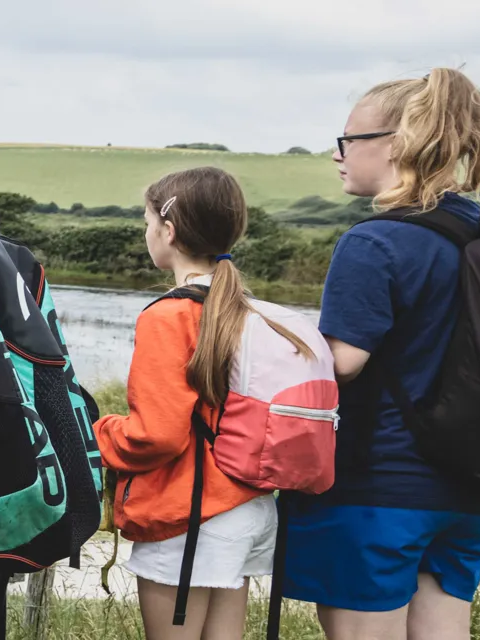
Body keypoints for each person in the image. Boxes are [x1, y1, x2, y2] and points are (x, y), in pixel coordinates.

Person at [278, 68, 480, 640]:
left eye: (348, 140)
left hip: (380, 485)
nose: (338, 155)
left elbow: (343, 362)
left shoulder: (374, 241)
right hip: (472, 486)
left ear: (395, 144)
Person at [92, 167, 283, 640]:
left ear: (169, 231)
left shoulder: (169, 316)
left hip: (189, 513)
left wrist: (99, 432)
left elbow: (155, 434)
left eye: (147, 221)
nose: (146, 231)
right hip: (247, 507)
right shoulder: (247, 310)